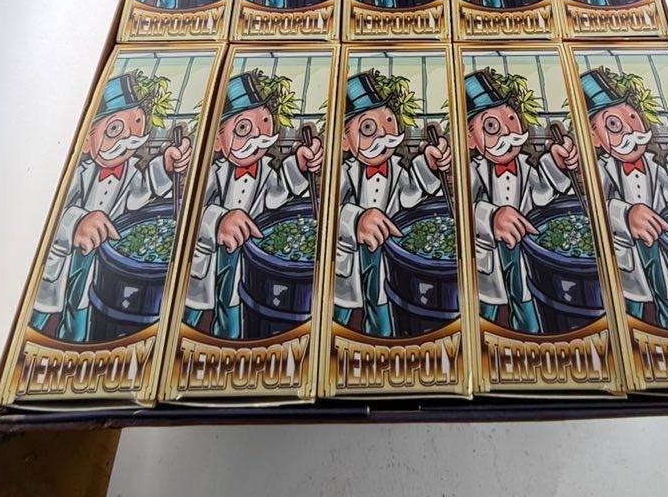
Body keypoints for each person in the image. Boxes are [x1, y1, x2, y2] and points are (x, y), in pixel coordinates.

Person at [31, 74, 190, 342]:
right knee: (40, 318)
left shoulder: (129, 171)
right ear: (86, 139)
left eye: (137, 125)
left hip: (99, 270)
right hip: (59, 266)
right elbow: (50, 213)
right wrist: (77, 223)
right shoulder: (76, 173)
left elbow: (139, 193)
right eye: (115, 129)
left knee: (79, 319)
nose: (127, 138)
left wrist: (165, 165)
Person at [183, 71, 322, 339]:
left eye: (265, 123)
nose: (257, 137)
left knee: (233, 315)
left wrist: (299, 164)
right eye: (243, 129)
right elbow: (190, 210)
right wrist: (218, 221)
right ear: (217, 140)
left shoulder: (266, 172)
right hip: (208, 260)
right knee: (190, 316)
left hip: (248, 264)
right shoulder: (212, 174)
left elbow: (278, 194)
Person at [582, 68, 668, 331]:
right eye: (614, 125)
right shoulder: (600, 171)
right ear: (594, 137)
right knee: (631, 313)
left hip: (661, 251)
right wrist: (626, 215)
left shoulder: (652, 164)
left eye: (633, 118)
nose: (630, 130)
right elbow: (593, 207)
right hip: (625, 258)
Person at [334, 71, 450, 337]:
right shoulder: (343, 174)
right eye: (367, 128)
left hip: (390, 261)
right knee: (339, 316)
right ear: (345, 141)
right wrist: (356, 220)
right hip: (349, 259)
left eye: (389, 121)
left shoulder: (398, 169)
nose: (382, 136)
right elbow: (328, 211)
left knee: (382, 315)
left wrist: (429, 164)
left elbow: (411, 195)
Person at [465, 69, 578, 334]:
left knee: (527, 309)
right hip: (486, 259)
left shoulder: (526, 166)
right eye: (491, 126)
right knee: (486, 316)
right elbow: (460, 209)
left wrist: (557, 164)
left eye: (511, 119)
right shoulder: (471, 171)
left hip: (527, 256)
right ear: (469, 138)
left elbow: (542, 193)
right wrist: (491, 218)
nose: (507, 133)